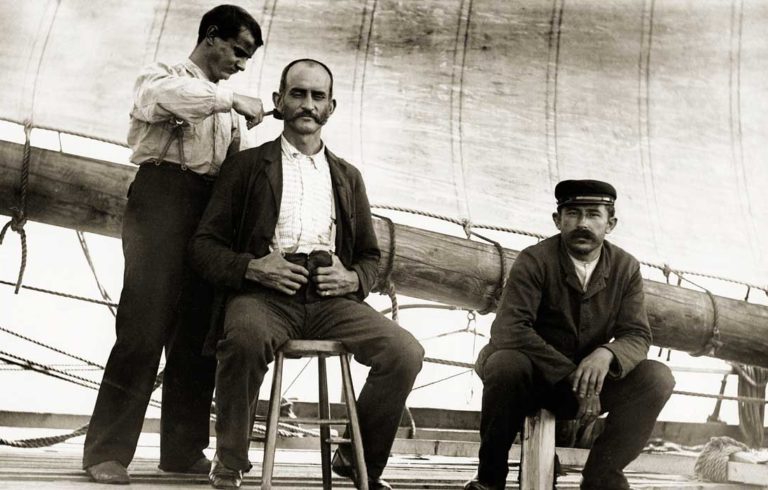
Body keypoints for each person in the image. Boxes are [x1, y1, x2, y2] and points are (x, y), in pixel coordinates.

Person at [189, 58, 424, 490]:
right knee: (243, 340)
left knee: (405, 351)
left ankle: (357, 462)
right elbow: (203, 248)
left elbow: (371, 257)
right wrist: (253, 268)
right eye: (297, 94)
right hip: (264, 294)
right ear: (279, 101)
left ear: (331, 107)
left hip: (330, 299)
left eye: (318, 96)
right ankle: (230, 464)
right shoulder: (245, 167)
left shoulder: (348, 178)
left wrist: (352, 280)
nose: (307, 105)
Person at [83, 5, 267, 484]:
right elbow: (159, 99)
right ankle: (106, 453)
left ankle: (182, 450)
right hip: (161, 200)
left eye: (247, 58)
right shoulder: (162, 76)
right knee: (143, 328)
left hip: (209, 212)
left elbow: (235, 168)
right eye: (238, 52)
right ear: (211, 36)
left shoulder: (224, 106)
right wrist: (230, 102)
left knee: (198, 335)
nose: (242, 64)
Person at [465, 180, 675, 490]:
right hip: (533, 381)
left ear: (610, 223)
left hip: (590, 386)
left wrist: (608, 354)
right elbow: (509, 329)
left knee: (657, 378)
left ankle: (603, 475)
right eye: (573, 213)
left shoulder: (625, 267)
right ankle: (489, 480)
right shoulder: (534, 260)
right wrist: (573, 374)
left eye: (593, 215)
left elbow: (636, 334)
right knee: (505, 364)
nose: (582, 224)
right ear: (557, 220)